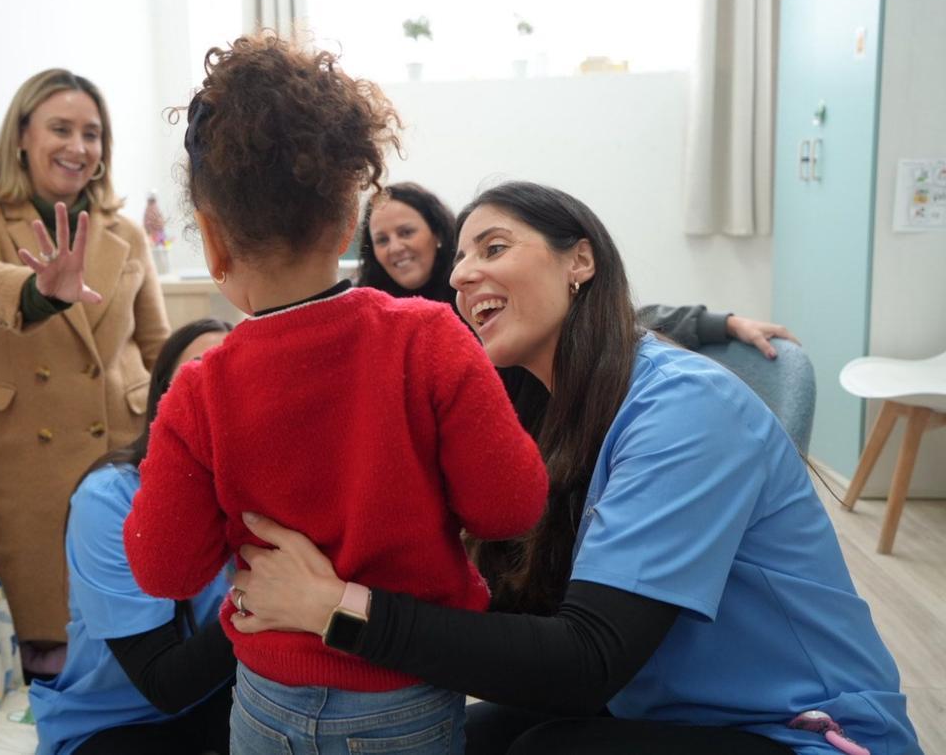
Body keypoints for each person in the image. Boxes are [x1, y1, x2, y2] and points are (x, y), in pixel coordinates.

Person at [225, 182, 922, 754]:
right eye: (461, 259)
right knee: (462, 738)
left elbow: (584, 662)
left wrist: (338, 609)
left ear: (579, 260)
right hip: (664, 709)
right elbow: (502, 605)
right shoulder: (542, 412)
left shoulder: (685, 409)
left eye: (493, 247)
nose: (462, 273)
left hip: (803, 733)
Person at [122, 33, 549, 754]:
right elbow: (511, 506)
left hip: (263, 702)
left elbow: (164, 568)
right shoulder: (429, 338)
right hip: (401, 700)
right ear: (351, 221)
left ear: (214, 242)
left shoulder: (200, 387)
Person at [0, 68, 171, 677]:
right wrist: (40, 290)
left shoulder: (125, 233)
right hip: (27, 468)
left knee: (131, 636)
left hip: (120, 454)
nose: (78, 146)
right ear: (22, 136)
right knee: (46, 644)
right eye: (61, 129)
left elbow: (157, 346)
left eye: (92, 133)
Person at [30, 319, 235, 755]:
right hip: (113, 721)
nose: (217, 388)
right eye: (198, 371)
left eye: (234, 374)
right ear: (163, 400)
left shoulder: (258, 489)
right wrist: (267, 601)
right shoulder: (108, 501)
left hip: (221, 698)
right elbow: (164, 684)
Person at [359, 183, 798, 359]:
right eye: (382, 240)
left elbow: (618, 322)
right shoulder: (373, 315)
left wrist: (721, 322)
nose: (395, 247)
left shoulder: (665, 399)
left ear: (436, 233)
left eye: (405, 231)